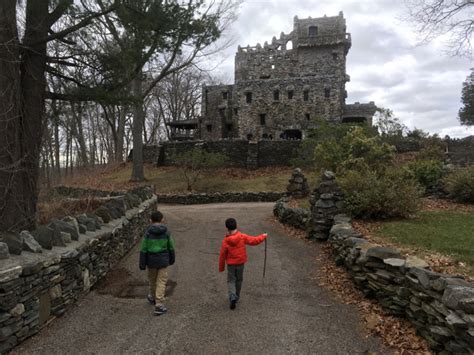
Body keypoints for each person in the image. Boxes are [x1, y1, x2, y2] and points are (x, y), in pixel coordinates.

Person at [218, 218, 267, 310]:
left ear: (227, 228)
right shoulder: (242, 236)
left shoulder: (226, 241)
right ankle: (236, 296)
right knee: (239, 280)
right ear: (236, 225)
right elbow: (254, 241)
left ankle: (232, 296)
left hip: (231, 264)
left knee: (231, 280)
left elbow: (222, 255)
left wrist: (221, 267)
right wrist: (263, 236)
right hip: (240, 263)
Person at [139, 211, 175, 316]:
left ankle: (153, 296)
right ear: (162, 219)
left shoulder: (147, 233)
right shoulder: (167, 232)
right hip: (163, 260)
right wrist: (172, 259)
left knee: (152, 280)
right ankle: (159, 304)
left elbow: (143, 249)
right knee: (161, 282)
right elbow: (171, 247)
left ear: (150, 220)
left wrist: (142, 263)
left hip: (151, 261)